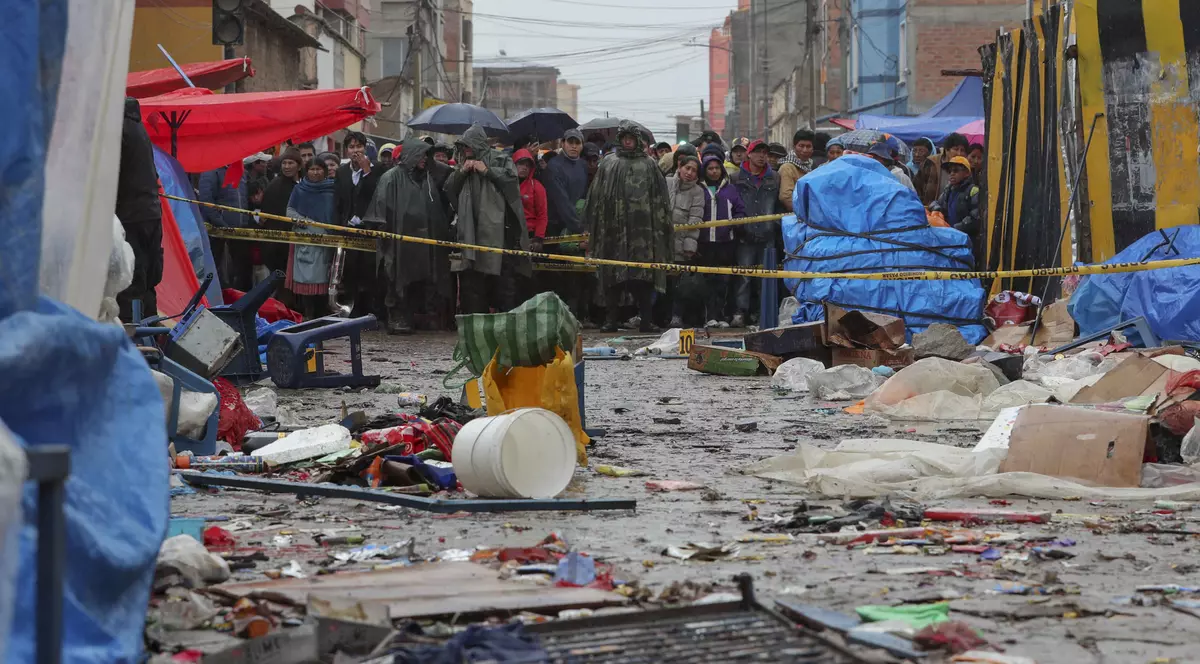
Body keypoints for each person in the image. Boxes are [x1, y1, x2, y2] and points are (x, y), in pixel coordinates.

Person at [584, 120, 673, 333]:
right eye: (624, 137)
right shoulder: (608, 163)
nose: (628, 141)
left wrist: (661, 229)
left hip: (643, 232)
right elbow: (595, 196)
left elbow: (661, 200)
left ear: (637, 140)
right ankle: (611, 319)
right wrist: (592, 226)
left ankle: (645, 319)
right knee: (612, 276)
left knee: (643, 277)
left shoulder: (650, 165)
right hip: (613, 231)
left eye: (631, 138)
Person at [365, 138, 454, 334]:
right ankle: (396, 317)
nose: (425, 159)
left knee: (423, 279)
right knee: (397, 279)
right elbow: (380, 208)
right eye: (421, 155)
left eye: (426, 156)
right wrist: (385, 233)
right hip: (399, 240)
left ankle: (419, 316)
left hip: (424, 242)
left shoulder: (427, 179)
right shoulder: (391, 177)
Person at [446, 123, 532, 314]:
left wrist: (487, 171)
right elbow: (449, 189)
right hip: (469, 233)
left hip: (499, 234)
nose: (466, 150)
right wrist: (462, 172)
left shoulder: (500, 159)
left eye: (469, 145)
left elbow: (511, 181)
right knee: (472, 285)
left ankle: (505, 323)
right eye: (463, 146)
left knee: (502, 285)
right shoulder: (463, 164)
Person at [114, 97, 163, 321]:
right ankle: (151, 338)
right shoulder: (138, 128)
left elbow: (110, 174)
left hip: (130, 216)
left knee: (129, 281)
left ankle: (134, 342)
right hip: (151, 213)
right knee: (148, 282)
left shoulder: (118, 129)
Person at [730, 140, 781, 327]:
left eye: (765, 153)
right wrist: (739, 228)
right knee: (744, 276)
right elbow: (732, 205)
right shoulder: (736, 178)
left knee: (765, 278)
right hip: (745, 236)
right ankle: (740, 312)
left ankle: (763, 312)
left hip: (768, 235)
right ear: (748, 154)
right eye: (758, 152)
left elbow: (778, 205)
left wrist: (774, 226)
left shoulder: (774, 178)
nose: (762, 156)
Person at [334, 131, 384, 315]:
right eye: (352, 147)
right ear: (347, 150)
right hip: (348, 229)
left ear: (366, 148)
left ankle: (371, 311)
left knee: (370, 271)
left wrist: (366, 171)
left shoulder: (377, 169)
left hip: (370, 229)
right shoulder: (341, 172)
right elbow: (338, 201)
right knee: (350, 270)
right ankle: (352, 309)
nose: (356, 151)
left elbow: (376, 195)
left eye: (359, 146)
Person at [697, 154, 745, 328]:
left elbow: (740, 209)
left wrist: (736, 224)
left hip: (726, 242)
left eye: (717, 168)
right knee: (708, 281)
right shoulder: (699, 189)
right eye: (710, 168)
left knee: (725, 281)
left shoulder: (730, 189)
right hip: (705, 243)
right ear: (704, 170)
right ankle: (710, 315)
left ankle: (723, 316)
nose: (714, 171)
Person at [284, 159, 336, 320]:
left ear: (325, 171)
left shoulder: (332, 189)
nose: (315, 172)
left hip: (326, 241)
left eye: (319, 169)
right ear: (306, 171)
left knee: (323, 277)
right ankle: (308, 314)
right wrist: (302, 220)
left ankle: (322, 313)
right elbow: (290, 210)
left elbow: (337, 212)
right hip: (305, 239)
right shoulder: (299, 189)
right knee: (305, 280)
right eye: (312, 169)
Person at [661, 154, 705, 327]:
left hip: (680, 245)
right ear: (679, 167)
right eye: (687, 168)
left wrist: (689, 246)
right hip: (661, 244)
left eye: (694, 170)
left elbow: (695, 220)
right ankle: (659, 316)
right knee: (660, 284)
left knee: (678, 285)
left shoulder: (698, 192)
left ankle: (676, 316)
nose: (689, 173)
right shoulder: (666, 183)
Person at [259, 147, 303, 275]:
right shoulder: (275, 186)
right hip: (279, 246)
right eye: (284, 163)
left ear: (299, 167)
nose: (287, 166)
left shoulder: (302, 185)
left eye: (291, 163)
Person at [931, 155, 982, 261]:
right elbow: (935, 203)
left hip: (967, 241)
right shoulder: (948, 190)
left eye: (956, 171)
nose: (951, 174)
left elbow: (975, 218)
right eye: (950, 171)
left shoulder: (973, 191)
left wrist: (954, 228)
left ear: (967, 173)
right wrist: (936, 209)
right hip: (950, 238)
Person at [514, 149, 548, 252]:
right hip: (509, 235)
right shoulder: (506, 185)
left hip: (530, 234)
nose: (524, 168)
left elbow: (542, 215)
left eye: (527, 165)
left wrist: (538, 238)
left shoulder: (537, 187)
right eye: (520, 164)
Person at [778, 129, 815, 208]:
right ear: (794, 147)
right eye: (801, 146)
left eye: (808, 146)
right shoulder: (787, 167)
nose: (805, 150)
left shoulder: (811, 166)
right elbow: (786, 197)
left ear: (812, 149)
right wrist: (805, 213)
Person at [909, 137, 939, 206]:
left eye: (921, 151)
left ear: (930, 152)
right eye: (914, 151)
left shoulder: (937, 169)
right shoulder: (907, 168)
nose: (916, 154)